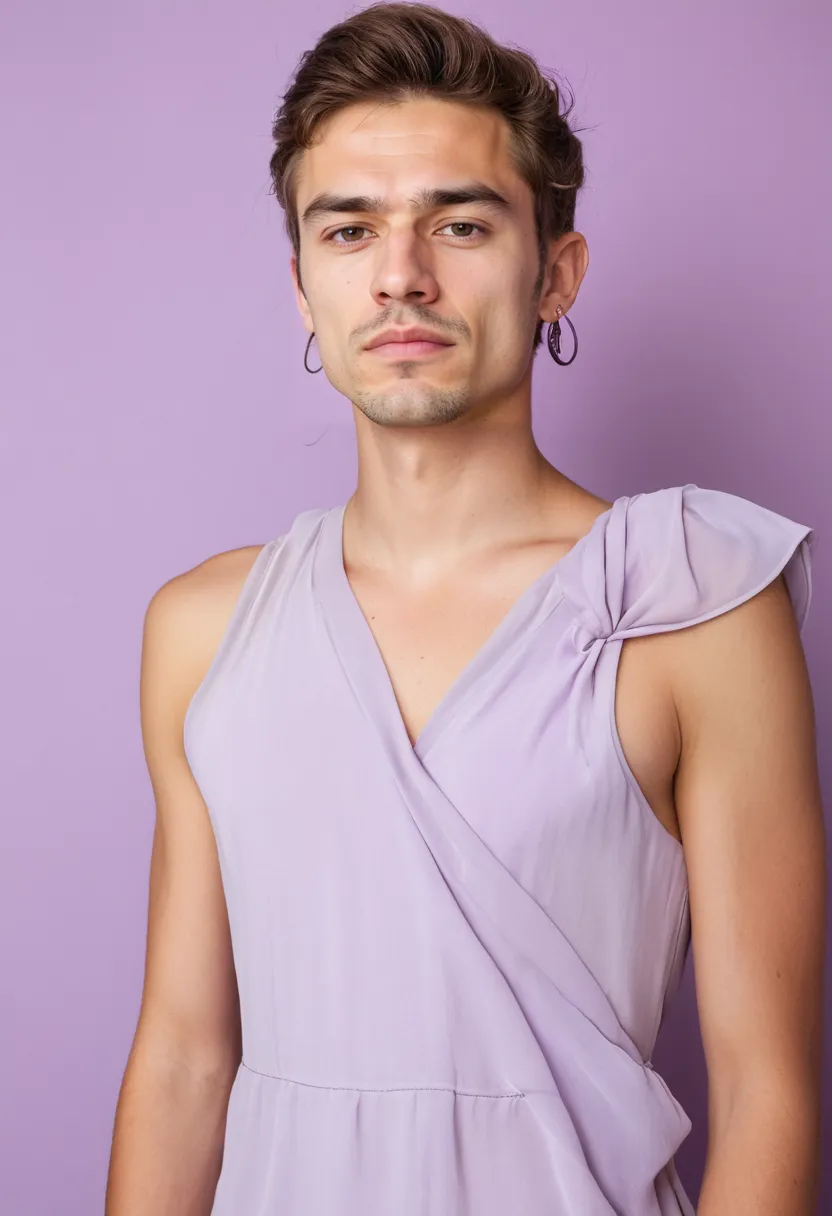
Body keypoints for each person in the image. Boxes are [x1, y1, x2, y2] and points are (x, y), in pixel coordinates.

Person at [105, 4, 826, 1213]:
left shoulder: (693, 608)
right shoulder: (200, 628)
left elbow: (770, 1091)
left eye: (460, 221)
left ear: (556, 271)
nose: (401, 273)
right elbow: (182, 1060)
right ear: (302, 287)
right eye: (351, 228)